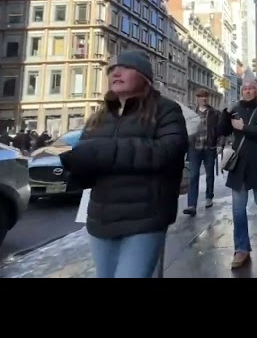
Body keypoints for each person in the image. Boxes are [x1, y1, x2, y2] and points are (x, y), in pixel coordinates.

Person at [59, 50, 189, 278]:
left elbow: (168, 152)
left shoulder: (166, 109)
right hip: (102, 220)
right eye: (111, 70)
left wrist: (102, 151)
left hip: (144, 219)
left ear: (145, 77)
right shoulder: (99, 117)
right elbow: (90, 160)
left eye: (125, 68)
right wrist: (76, 169)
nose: (115, 73)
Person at [218, 70, 257, 269]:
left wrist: (245, 128)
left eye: (251, 87)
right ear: (241, 90)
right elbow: (222, 131)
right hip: (239, 166)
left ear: (256, 89)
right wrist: (225, 114)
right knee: (238, 209)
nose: (248, 91)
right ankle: (241, 248)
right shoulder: (234, 109)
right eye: (245, 88)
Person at [183, 88, 222, 216]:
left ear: (207, 98)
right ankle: (191, 205)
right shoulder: (191, 113)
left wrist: (220, 144)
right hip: (194, 148)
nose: (203, 99)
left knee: (209, 174)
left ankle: (209, 197)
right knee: (193, 175)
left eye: (205, 96)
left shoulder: (214, 113)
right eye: (200, 97)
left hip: (209, 148)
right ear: (197, 98)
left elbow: (220, 130)